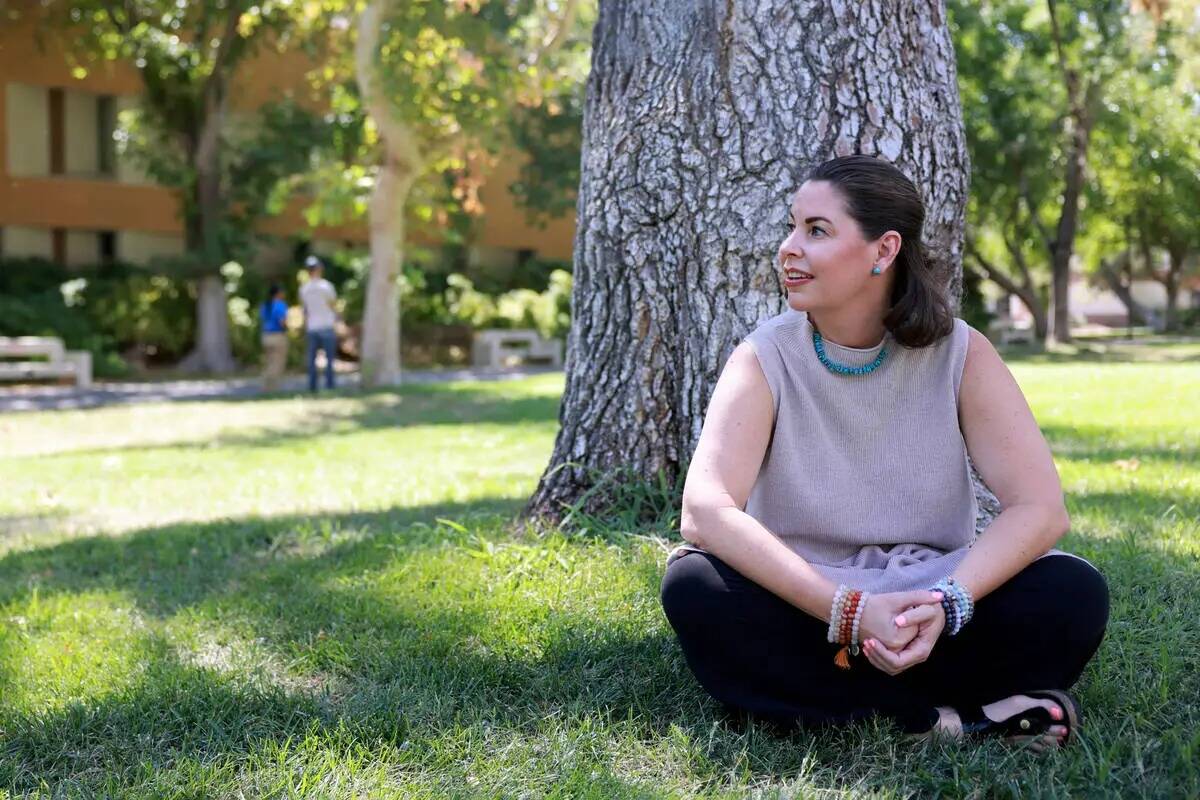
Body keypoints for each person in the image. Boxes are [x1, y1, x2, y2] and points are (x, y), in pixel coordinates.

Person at [660, 155, 1109, 751]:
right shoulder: (763, 357)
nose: (788, 249)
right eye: (792, 227)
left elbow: (1040, 509)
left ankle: (841, 706)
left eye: (816, 230)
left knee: (1072, 591)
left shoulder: (961, 354)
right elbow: (705, 512)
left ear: (883, 250)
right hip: (808, 601)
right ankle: (956, 721)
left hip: (930, 600)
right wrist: (847, 610)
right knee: (695, 585)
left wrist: (948, 603)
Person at [299, 255, 338, 393]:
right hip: (327, 325)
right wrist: (338, 320)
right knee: (329, 359)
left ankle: (312, 386)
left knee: (312, 359)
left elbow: (304, 310)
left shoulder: (304, 289)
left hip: (312, 327)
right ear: (319, 269)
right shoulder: (326, 286)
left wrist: (304, 326)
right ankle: (330, 385)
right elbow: (333, 305)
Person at [259, 283, 289, 392]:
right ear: (278, 293)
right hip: (277, 336)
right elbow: (282, 321)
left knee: (268, 362)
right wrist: (287, 327)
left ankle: (265, 386)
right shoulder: (280, 305)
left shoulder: (265, 305)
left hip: (266, 336)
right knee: (277, 363)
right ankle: (273, 388)